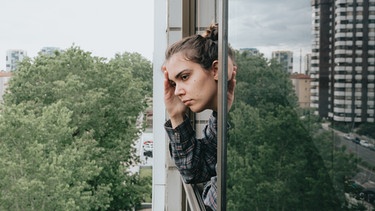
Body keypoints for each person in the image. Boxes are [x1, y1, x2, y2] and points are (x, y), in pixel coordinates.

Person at [162, 23, 237, 211]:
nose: (177, 91)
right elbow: (194, 170)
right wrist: (176, 115)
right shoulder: (221, 116)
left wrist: (211, 186)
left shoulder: (245, 117)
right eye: (173, 82)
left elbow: (216, 201)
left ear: (216, 70)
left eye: (184, 77)